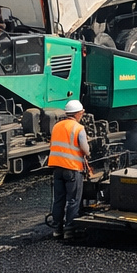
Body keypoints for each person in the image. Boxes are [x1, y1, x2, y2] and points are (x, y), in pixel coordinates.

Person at [48, 99, 91, 240]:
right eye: (82, 113)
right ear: (78, 113)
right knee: (73, 200)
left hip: (57, 168)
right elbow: (85, 149)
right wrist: (88, 152)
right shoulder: (78, 128)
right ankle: (69, 231)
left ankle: (57, 229)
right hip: (72, 168)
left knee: (58, 200)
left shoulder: (56, 126)